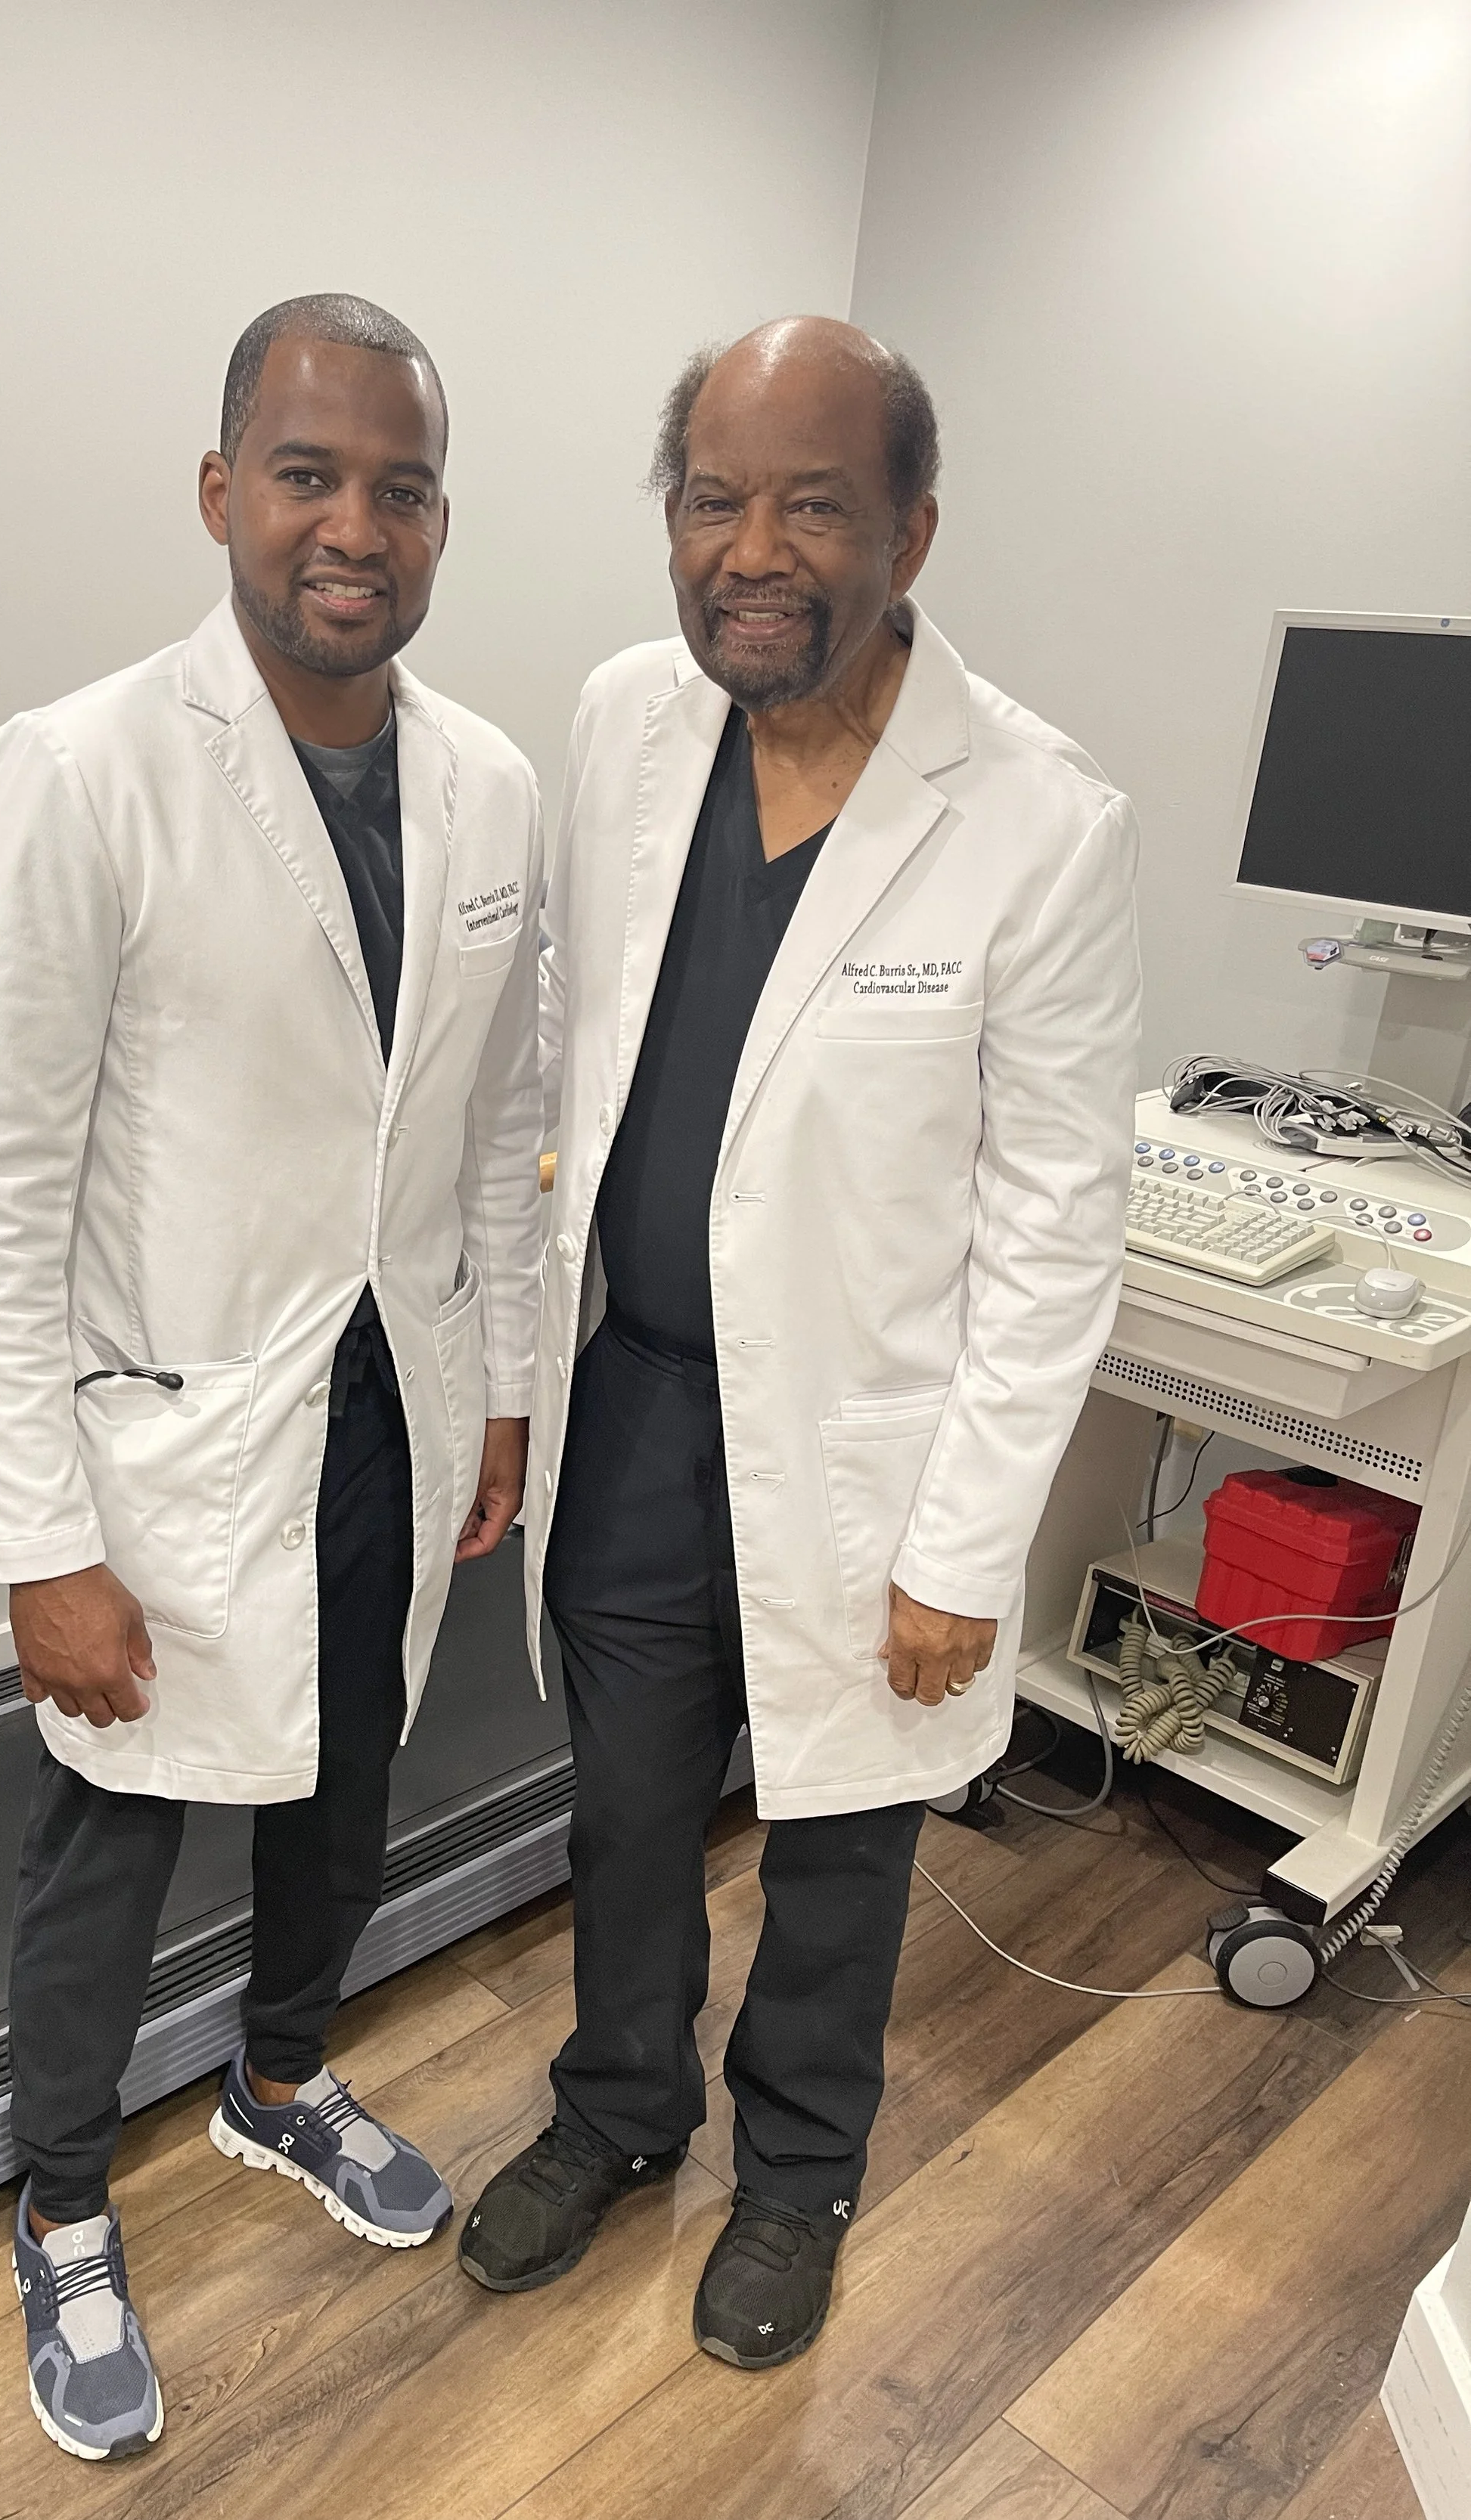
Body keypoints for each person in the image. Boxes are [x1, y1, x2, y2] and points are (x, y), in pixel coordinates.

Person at [460, 318, 1139, 2369]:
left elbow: (1053, 1221)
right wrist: (511, 1366)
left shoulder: (1038, 819)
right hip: (640, 1396)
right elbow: (563, 1051)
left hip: (869, 1443)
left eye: (811, 503)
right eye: (709, 498)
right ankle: (616, 2109)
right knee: (626, 1807)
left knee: (839, 1844)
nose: (750, 548)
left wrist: (961, 1542)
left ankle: (797, 2172)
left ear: (909, 529)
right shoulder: (621, 720)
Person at [0, 293, 542, 2458]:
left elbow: (494, 1127)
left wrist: (503, 1390)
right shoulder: (84, 765)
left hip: (390, 1398)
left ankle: (279, 2078)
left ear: (440, 522)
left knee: (345, 1788)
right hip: (167, 1430)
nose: (349, 522)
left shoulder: (487, 786)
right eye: (307, 472)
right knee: (111, 1836)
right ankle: (62, 2199)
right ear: (221, 492)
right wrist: (35, 1539)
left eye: (396, 484)